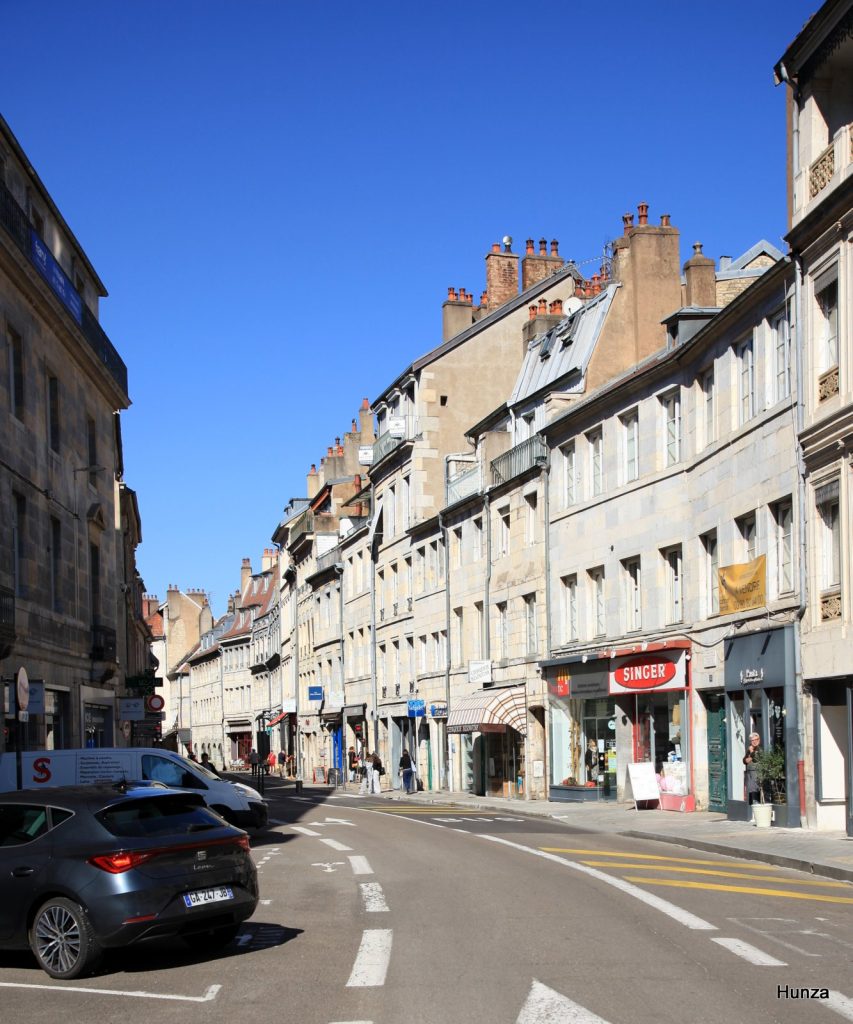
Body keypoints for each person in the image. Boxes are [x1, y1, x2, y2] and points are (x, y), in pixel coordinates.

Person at [743, 732, 762, 807]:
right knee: (751, 791)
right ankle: (753, 807)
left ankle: (756, 807)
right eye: (752, 740)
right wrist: (750, 756)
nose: (754, 741)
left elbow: (756, 759)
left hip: (757, 773)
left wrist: (751, 753)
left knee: (756, 790)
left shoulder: (760, 748)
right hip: (750, 773)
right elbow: (744, 760)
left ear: (759, 740)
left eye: (756, 739)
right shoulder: (750, 749)